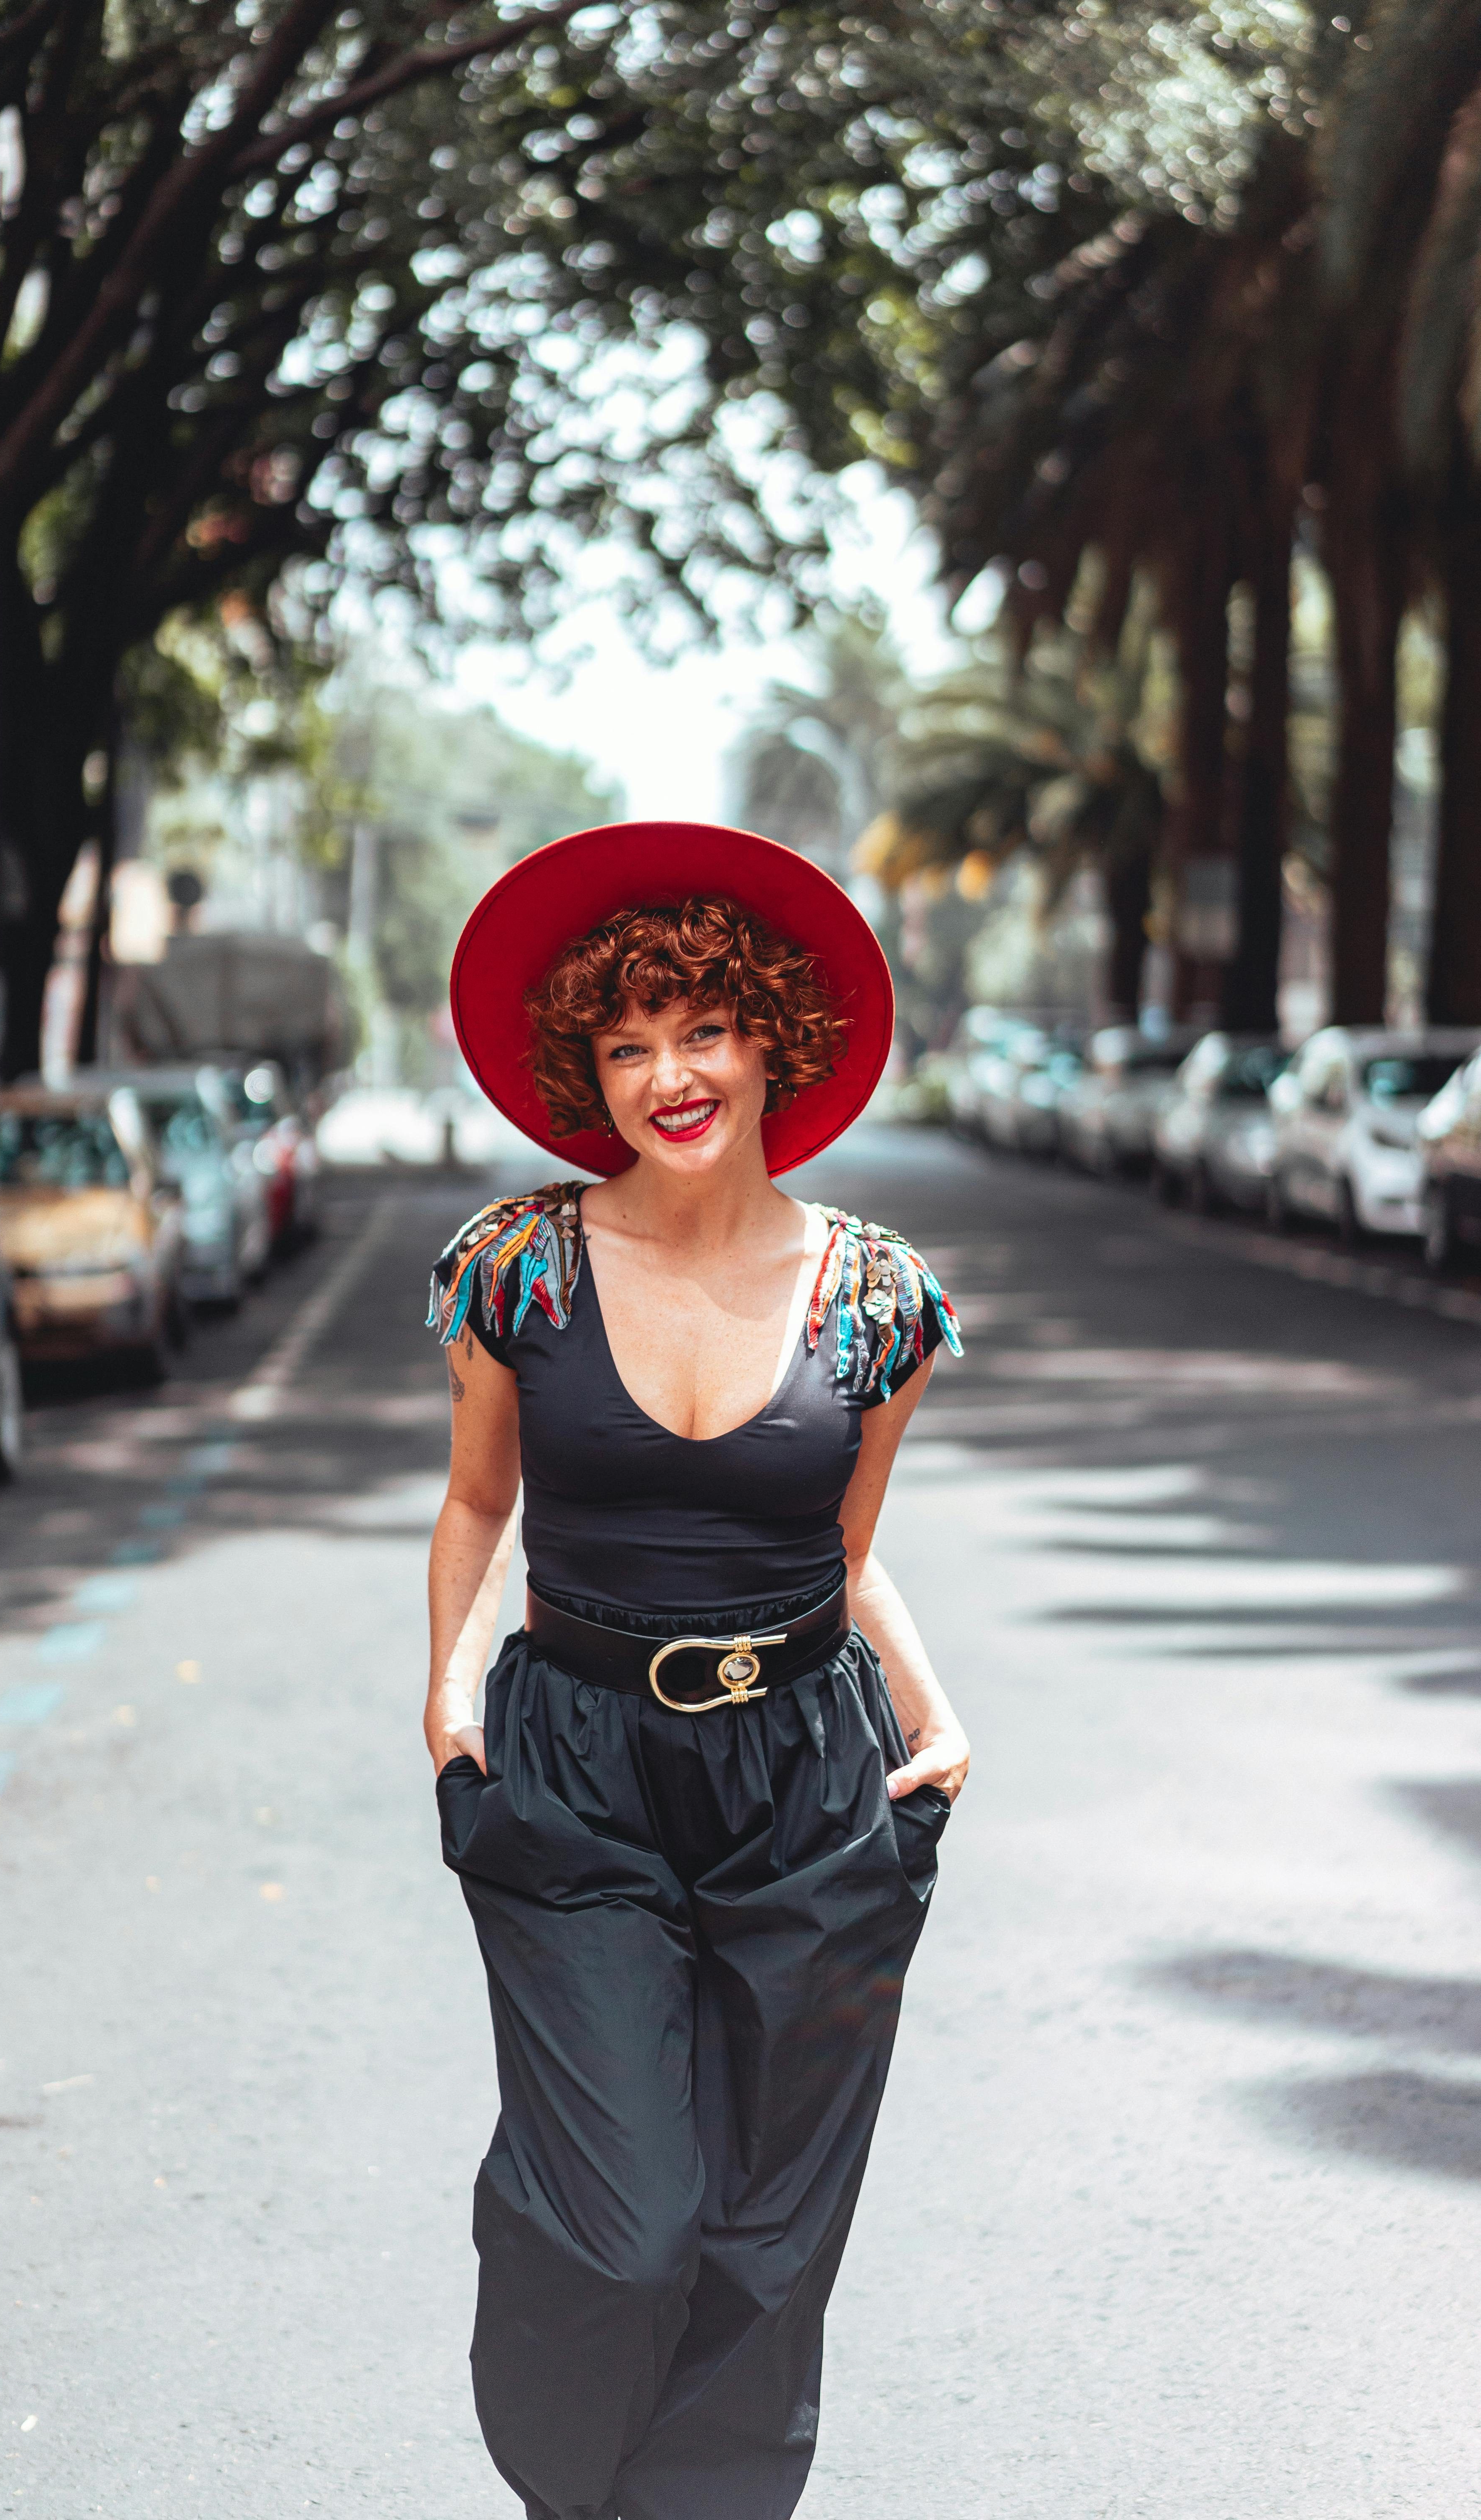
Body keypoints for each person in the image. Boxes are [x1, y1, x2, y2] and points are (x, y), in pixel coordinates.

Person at [424, 821, 969, 2520]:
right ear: (589, 1067)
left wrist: (935, 1710)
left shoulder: (875, 1298)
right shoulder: (518, 1266)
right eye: (627, 1041)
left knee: (766, 2236)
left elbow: (845, 1542)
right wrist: (444, 1698)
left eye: (701, 1029)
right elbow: (473, 1497)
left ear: (769, 1045)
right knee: (622, 2221)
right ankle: (573, 2481)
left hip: (810, 1773)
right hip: (572, 1766)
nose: (669, 1074)